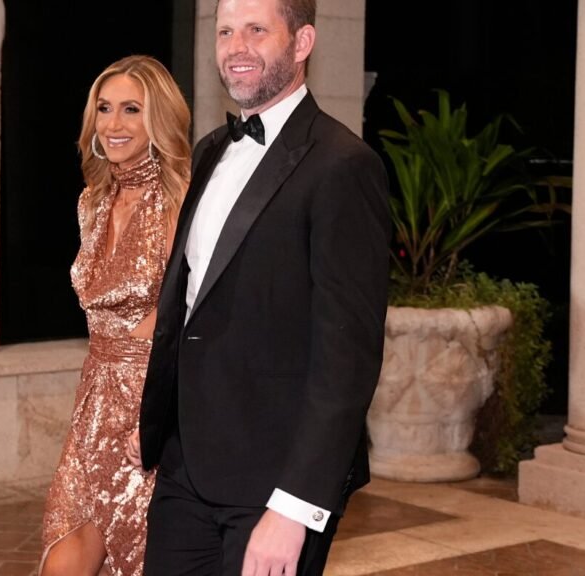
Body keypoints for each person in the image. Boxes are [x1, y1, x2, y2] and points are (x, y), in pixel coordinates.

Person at [128, 0, 391, 574]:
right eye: (225, 31)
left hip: (274, 482)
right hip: (186, 469)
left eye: (256, 30)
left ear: (302, 43)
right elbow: (188, 303)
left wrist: (295, 507)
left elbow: (347, 357)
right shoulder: (209, 151)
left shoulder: (343, 165)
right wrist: (155, 420)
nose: (236, 47)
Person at [41, 55, 192, 576]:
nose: (113, 124)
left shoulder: (177, 201)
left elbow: (185, 311)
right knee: (63, 558)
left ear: (159, 119)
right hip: (93, 401)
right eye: (104, 108)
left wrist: (156, 417)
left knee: (136, 557)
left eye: (132, 109)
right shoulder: (92, 202)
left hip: (146, 402)